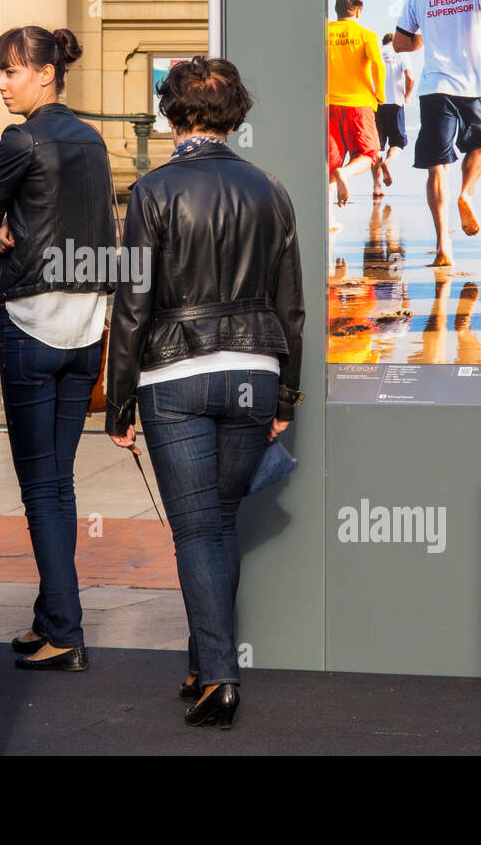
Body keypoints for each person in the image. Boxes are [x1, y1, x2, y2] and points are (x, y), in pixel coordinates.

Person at [105, 56, 305, 730]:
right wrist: (286, 398)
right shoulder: (271, 190)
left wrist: (119, 400)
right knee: (220, 526)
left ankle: (219, 677)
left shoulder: (154, 192)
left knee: (195, 529)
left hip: (174, 377)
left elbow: (132, 303)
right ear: (236, 113)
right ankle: (201, 664)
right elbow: (292, 306)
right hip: (256, 371)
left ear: (170, 113)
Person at [0, 25, 116, 672]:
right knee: (60, 482)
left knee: (40, 489)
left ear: (46, 74)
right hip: (86, 332)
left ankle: (66, 632)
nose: (2, 83)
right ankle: (50, 617)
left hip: (31, 325)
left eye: (12, 71)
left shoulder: (22, 139)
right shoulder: (94, 140)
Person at [394, 0, 481, 266]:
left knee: (437, 166)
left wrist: (425, 36)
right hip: (475, 84)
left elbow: (401, 42)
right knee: (479, 146)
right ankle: (466, 194)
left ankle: (443, 246)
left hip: (434, 87)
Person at [327, 0, 386, 207]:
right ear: (359, 11)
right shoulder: (366, 34)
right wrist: (379, 94)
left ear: (336, 11)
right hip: (358, 103)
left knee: (330, 162)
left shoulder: (322, 33)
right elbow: (378, 65)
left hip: (328, 103)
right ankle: (346, 172)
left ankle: (330, 219)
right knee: (368, 153)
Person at [374, 33, 415, 197]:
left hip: (378, 104)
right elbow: (410, 77)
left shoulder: (376, 52)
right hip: (396, 103)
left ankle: (376, 187)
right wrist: (407, 96)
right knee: (398, 142)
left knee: (377, 146)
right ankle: (388, 163)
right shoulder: (401, 52)